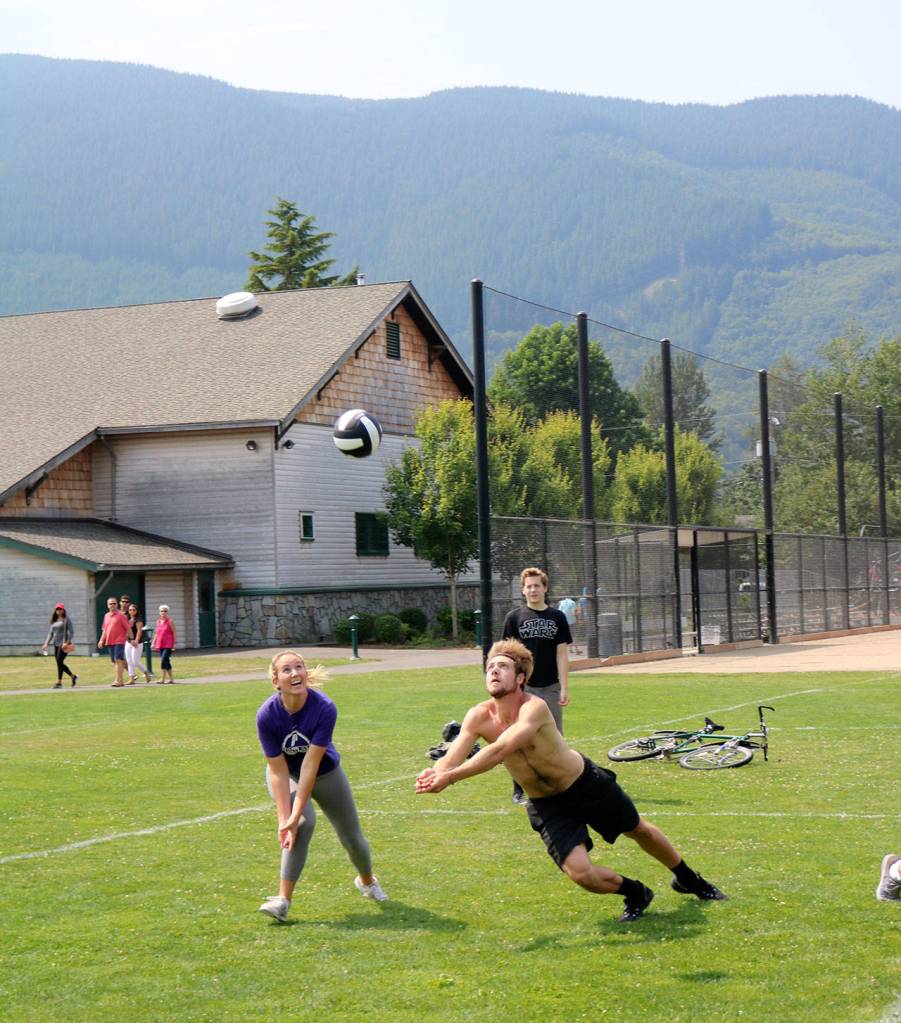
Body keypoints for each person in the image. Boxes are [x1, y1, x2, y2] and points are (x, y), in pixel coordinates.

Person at [416, 639, 727, 923]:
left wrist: (450, 778)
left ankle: (688, 878)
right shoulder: (478, 716)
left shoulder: (534, 708)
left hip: (584, 784)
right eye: (490, 667)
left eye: (503, 666)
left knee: (637, 829)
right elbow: (452, 755)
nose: (494, 671)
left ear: (521, 677)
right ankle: (636, 893)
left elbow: (499, 750)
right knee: (580, 873)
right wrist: (437, 771)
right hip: (545, 803)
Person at [255, 650, 387, 923]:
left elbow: (310, 767)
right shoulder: (266, 715)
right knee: (302, 824)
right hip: (285, 774)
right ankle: (283, 901)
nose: (295, 674)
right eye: (287, 670)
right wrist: (286, 820)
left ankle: (367, 881)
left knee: (352, 838)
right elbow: (278, 771)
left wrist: (294, 814)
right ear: (276, 680)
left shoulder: (324, 707)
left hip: (324, 771)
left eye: (299, 667)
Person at [502, 567, 572, 804]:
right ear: (523, 590)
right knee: (518, 738)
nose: (533, 590)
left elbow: (561, 654)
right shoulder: (514, 618)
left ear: (545, 588)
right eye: (528, 586)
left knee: (555, 739)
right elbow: (507, 656)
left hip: (550, 686)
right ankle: (520, 788)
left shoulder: (557, 617)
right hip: (523, 689)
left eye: (537, 585)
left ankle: (559, 785)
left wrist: (564, 686)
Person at [42, 603, 77, 689]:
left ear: (63, 610)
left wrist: (67, 642)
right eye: (57, 609)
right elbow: (51, 633)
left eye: (60, 609)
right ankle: (71, 677)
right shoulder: (55, 620)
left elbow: (71, 632)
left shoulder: (66, 619)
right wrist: (46, 643)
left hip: (64, 645)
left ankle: (60, 682)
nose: (59, 611)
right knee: (59, 662)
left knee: (59, 661)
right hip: (56, 644)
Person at [98, 596, 131, 687]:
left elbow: (128, 628)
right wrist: (101, 640)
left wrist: (132, 639)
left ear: (117, 604)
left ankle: (118, 681)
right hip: (110, 641)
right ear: (108, 605)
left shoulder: (121, 616)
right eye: (110, 604)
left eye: (114, 603)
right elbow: (104, 629)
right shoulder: (106, 616)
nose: (112, 605)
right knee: (115, 661)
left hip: (119, 641)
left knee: (118, 660)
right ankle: (125, 678)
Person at [125, 604, 154, 684]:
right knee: (129, 661)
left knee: (135, 661)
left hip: (137, 643)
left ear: (136, 611)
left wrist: (136, 641)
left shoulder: (138, 620)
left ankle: (146, 673)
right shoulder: (127, 619)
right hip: (128, 642)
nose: (131, 611)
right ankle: (131, 678)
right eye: (130, 610)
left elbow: (139, 631)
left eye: (133, 610)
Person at [151, 605, 177, 684]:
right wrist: (153, 642)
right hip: (161, 643)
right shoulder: (158, 621)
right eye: (162, 611)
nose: (163, 612)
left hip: (168, 644)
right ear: (159, 612)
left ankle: (162, 679)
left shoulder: (170, 621)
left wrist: (174, 644)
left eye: (165, 611)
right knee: (166, 661)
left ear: (167, 612)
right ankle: (171, 679)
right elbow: (156, 633)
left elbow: (174, 632)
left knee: (163, 660)